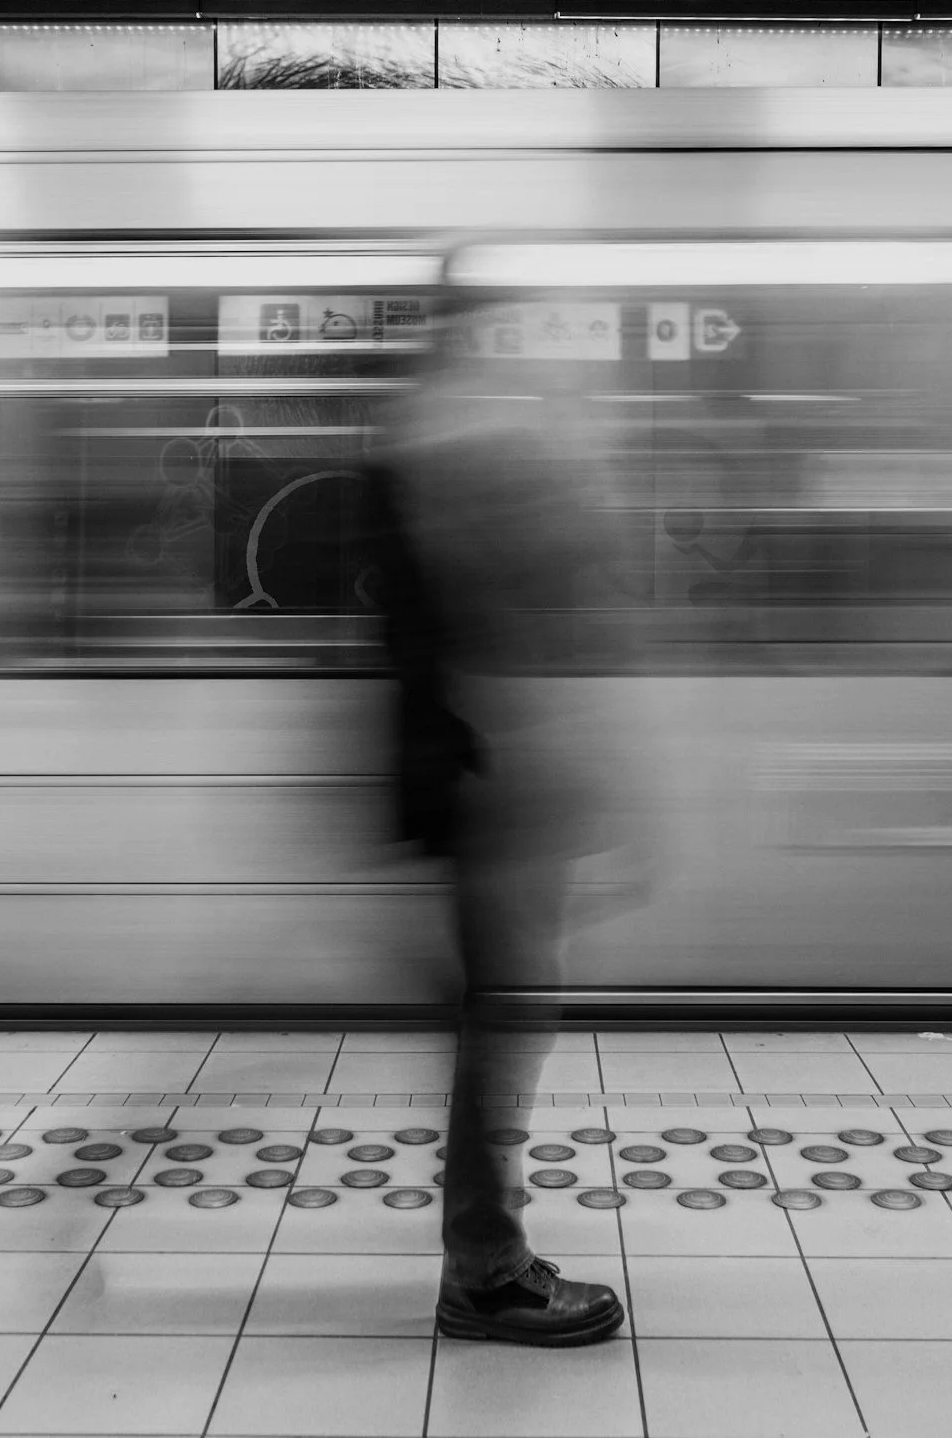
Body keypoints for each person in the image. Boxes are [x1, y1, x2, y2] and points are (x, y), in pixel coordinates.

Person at [362, 309, 641, 1347]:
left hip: (478, 784)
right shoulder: (448, 445)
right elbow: (526, 610)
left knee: (489, 1024)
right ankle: (482, 1271)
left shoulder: (425, 440)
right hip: (486, 791)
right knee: (495, 1026)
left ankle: (484, 1257)